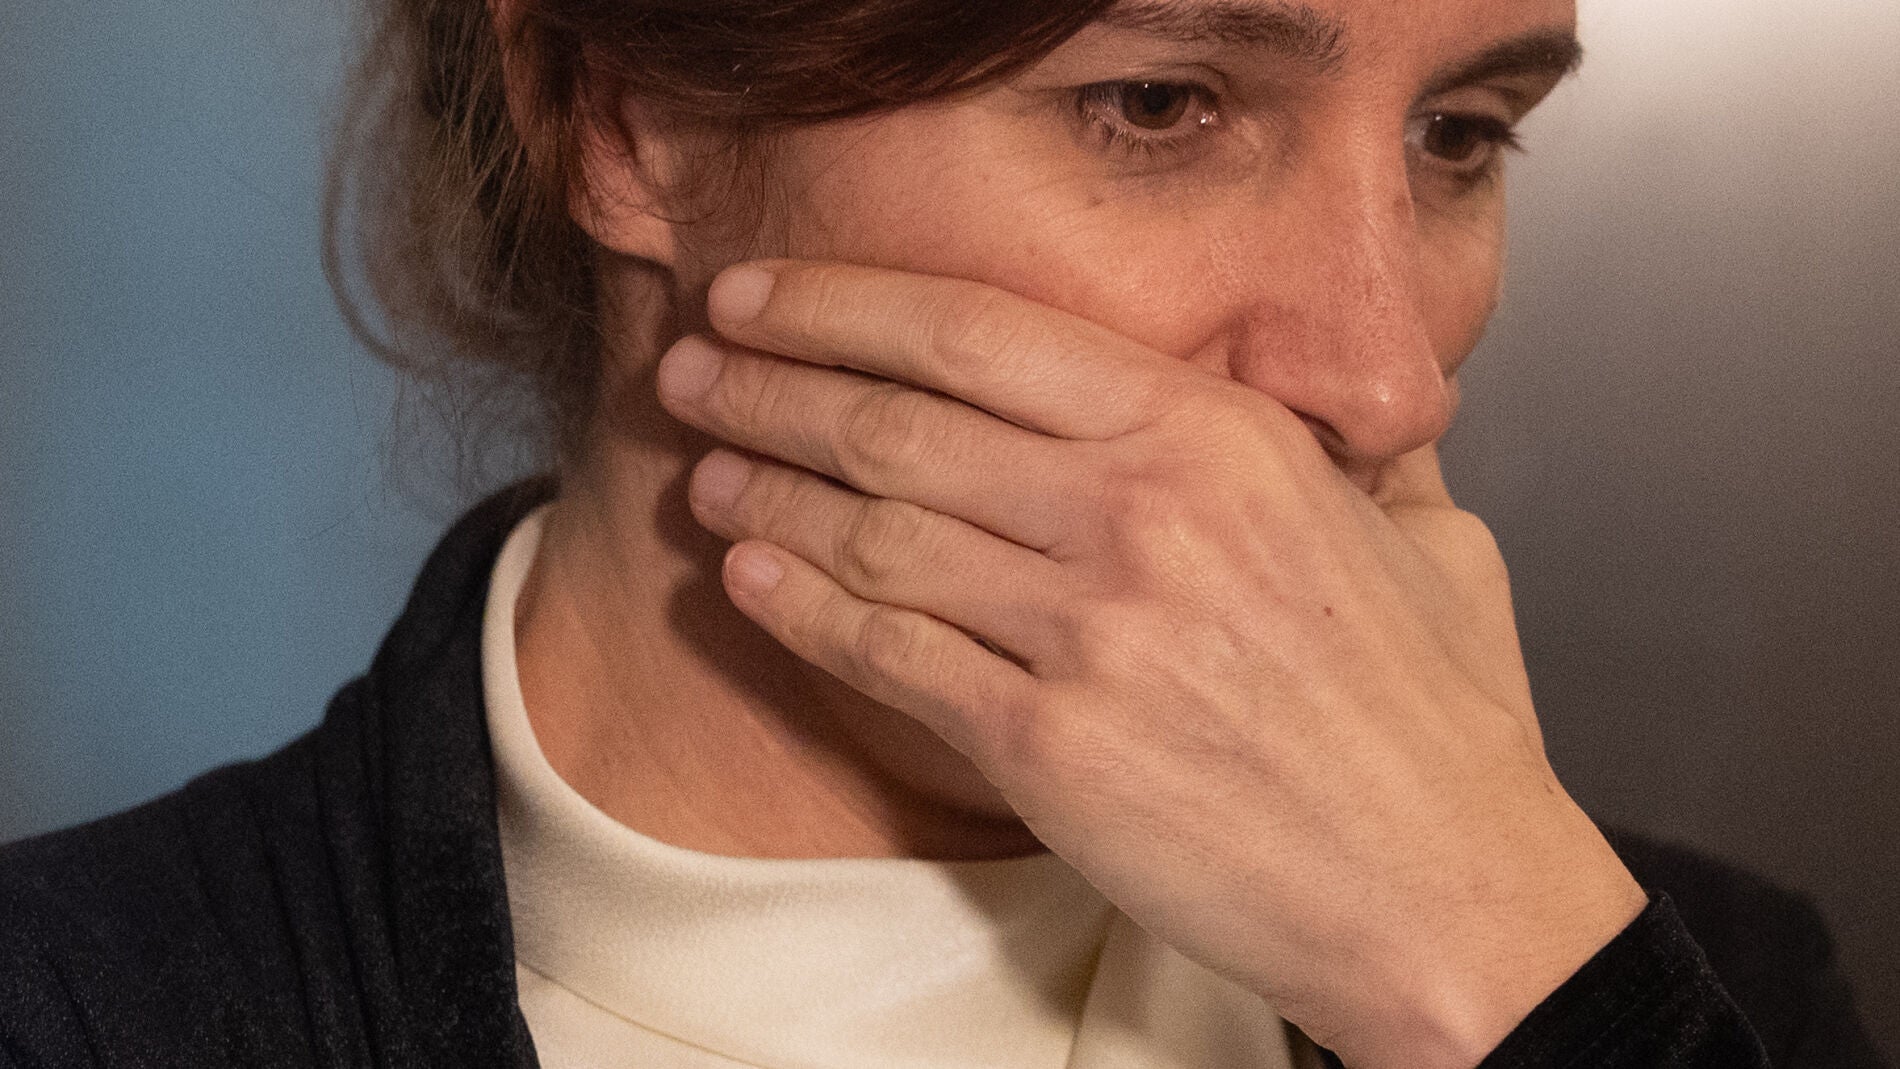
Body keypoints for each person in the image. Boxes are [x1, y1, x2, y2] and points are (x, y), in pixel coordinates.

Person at [0, 0, 1884, 1065]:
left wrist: (1524, 990)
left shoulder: (1694, 982)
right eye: (1158, 105)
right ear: (623, 120)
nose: (1389, 381)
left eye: (1459, 136)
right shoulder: (78, 1012)